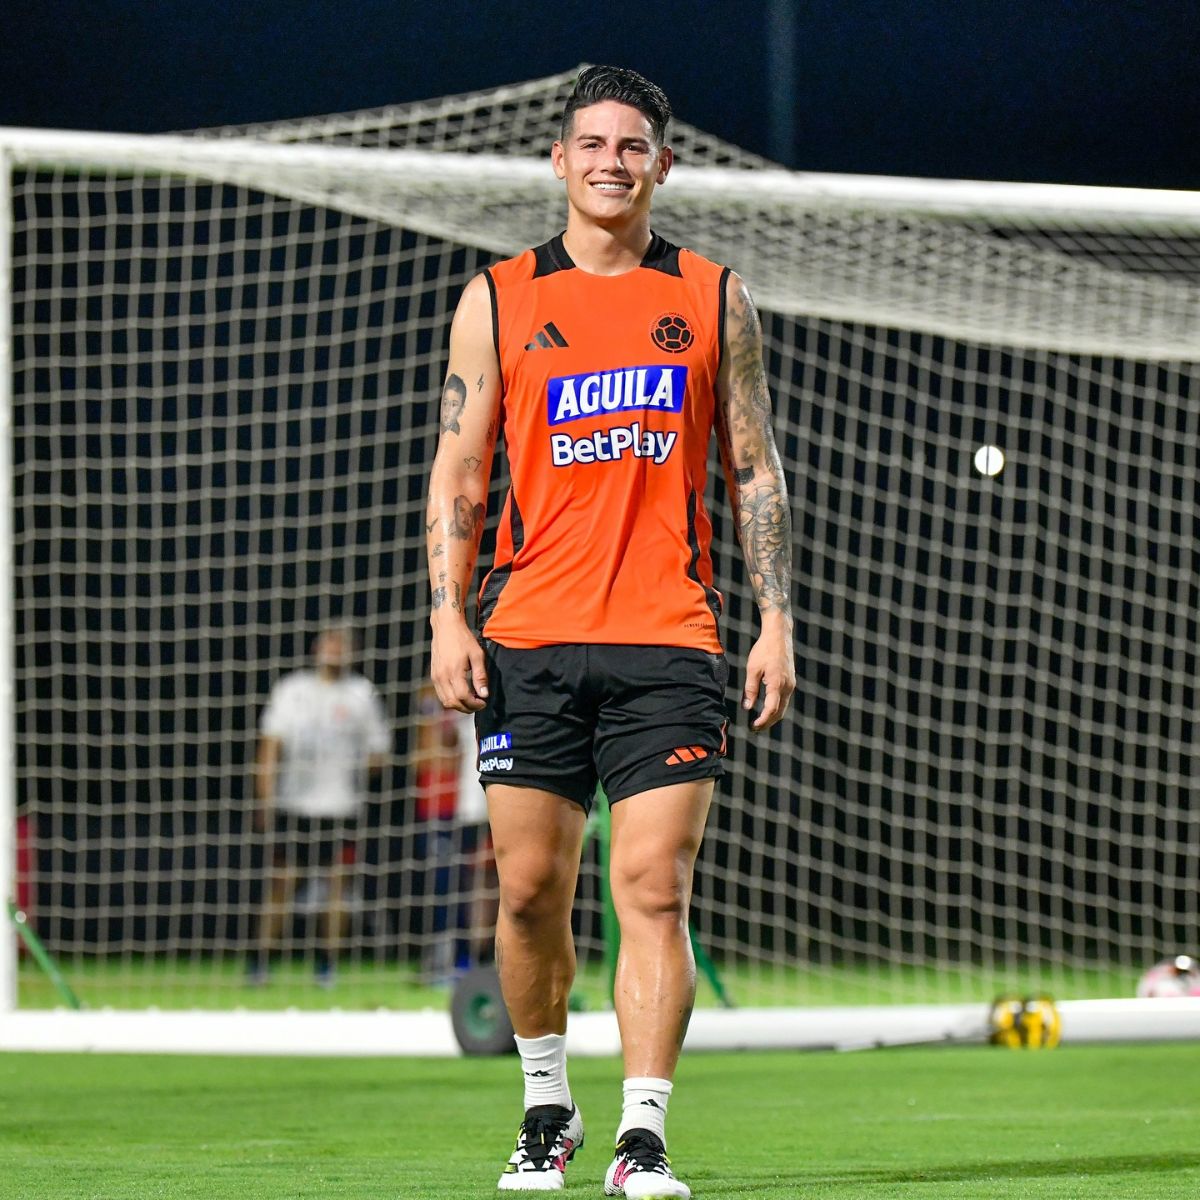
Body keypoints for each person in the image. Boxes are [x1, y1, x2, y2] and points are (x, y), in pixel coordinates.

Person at [425, 65, 794, 1197]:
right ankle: (548, 1106)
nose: (609, 163)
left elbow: (751, 466)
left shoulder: (714, 293)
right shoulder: (497, 298)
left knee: (653, 887)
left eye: (631, 146)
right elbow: (460, 470)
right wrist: (448, 616)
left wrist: (776, 616)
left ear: (662, 164)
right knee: (529, 890)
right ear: (559, 161)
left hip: (670, 640)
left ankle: (642, 1136)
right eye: (591, 144)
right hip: (526, 636)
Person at [248, 625, 390, 986]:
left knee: (338, 886)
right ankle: (260, 962)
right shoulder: (292, 690)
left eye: (343, 642)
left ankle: (327, 966)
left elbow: (379, 753)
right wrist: (265, 798)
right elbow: (270, 747)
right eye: (330, 640)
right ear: (316, 647)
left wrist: (360, 766)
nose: (335, 648)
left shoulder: (361, 694)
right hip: (294, 806)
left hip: (341, 806)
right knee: (282, 883)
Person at [412, 681, 495, 979]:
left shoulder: (492, 691)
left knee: (487, 883)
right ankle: (456, 959)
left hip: (487, 800)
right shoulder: (441, 696)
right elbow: (428, 752)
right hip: (466, 804)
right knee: (458, 883)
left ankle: (480, 958)